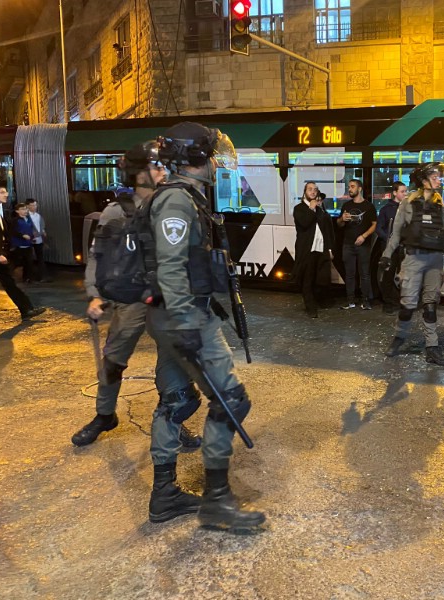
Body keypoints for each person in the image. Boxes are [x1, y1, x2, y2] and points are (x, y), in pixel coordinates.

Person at [147, 121, 265, 532]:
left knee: (176, 401)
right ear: (195, 157)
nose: (217, 161)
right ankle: (217, 500)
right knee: (231, 400)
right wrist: (187, 324)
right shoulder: (177, 202)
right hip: (184, 317)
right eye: (212, 153)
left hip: (172, 316)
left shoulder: (185, 197)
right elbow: (170, 268)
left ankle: (164, 495)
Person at [71, 142, 201, 456]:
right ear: (139, 174)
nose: (163, 172)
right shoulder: (117, 211)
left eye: (164, 166)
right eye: (156, 167)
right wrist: (95, 295)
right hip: (132, 298)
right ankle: (105, 415)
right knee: (113, 361)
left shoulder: (173, 203)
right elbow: (98, 255)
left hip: (166, 299)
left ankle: (172, 421)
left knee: (172, 365)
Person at [379, 162, 444, 367]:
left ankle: (432, 347)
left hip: (435, 260)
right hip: (413, 259)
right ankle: (399, 337)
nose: (438, 180)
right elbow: (396, 233)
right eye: (434, 177)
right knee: (408, 305)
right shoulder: (408, 203)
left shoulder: (440, 206)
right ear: (423, 180)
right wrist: (387, 256)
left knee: (430, 306)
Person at [0, 182, 45, 327]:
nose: (6, 194)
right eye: (2, 192)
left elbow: (3, 232)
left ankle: (26, 310)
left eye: (6, 192)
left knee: (10, 283)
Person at [292, 181, 335, 318]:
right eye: (310, 189)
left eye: (315, 190)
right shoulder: (299, 208)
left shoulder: (320, 209)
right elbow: (304, 223)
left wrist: (329, 249)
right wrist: (311, 209)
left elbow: (327, 230)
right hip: (307, 250)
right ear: (305, 192)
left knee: (321, 278)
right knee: (307, 279)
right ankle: (310, 307)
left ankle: (320, 300)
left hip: (321, 249)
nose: (313, 192)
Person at [337, 179, 376, 310]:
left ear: (359, 189)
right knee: (349, 274)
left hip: (363, 246)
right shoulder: (346, 205)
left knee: (364, 274)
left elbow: (374, 225)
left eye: (352, 187)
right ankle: (350, 301)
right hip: (348, 244)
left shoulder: (369, 206)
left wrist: (364, 236)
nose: (350, 189)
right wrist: (342, 219)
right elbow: (339, 224)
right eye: (349, 187)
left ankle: (365, 301)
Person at [375, 181, 406, 314]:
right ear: (394, 193)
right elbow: (379, 228)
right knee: (388, 275)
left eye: (406, 191)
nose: (405, 194)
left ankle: (402, 301)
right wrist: (389, 240)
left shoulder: (408, 209)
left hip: (404, 247)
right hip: (390, 248)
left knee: (404, 276)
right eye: (402, 192)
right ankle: (388, 302)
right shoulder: (386, 210)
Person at [8, 202, 35, 283]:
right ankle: (8, 278)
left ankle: (27, 278)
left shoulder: (29, 219)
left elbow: (31, 230)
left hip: (28, 245)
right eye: (22, 209)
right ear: (17, 211)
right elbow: (12, 231)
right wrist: (22, 235)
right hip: (18, 245)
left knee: (29, 263)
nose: (25, 211)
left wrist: (32, 237)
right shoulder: (15, 220)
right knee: (15, 263)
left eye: (26, 209)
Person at [26, 199, 49, 282]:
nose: (34, 207)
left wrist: (43, 231)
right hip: (30, 240)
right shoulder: (26, 216)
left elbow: (41, 226)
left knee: (40, 258)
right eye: (32, 205)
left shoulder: (38, 216)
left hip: (39, 239)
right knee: (29, 259)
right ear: (27, 206)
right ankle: (29, 277)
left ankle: (42, 276)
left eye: (35, 205)